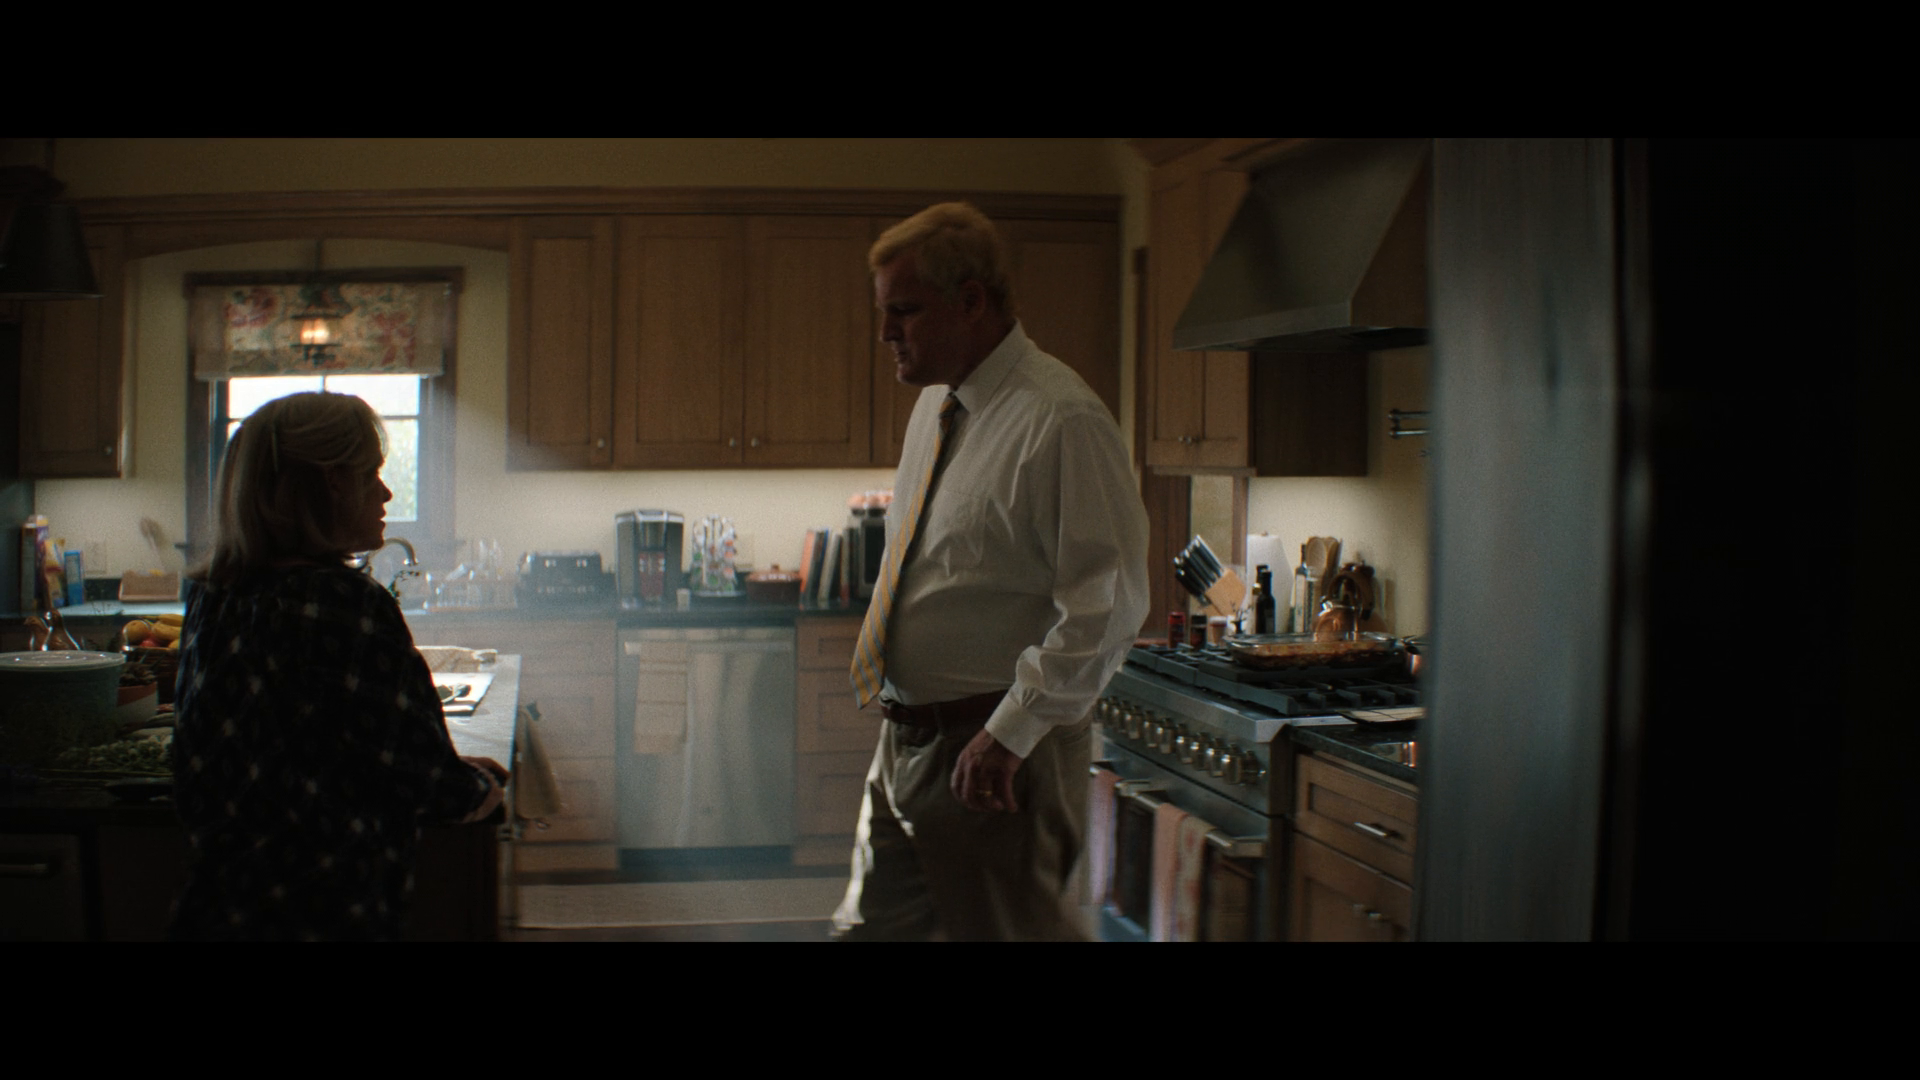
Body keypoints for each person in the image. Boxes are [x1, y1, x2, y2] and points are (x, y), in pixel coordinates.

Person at [833, 202, 1149, 941]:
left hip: (998, 756)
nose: (885, 334)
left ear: (971, 301)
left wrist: (1009, 733)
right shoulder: (936, 405)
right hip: (906, 744)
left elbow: (1107, 605)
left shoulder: (1061, 419)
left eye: (904, 311)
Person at [169, 391, 507, 941]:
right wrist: (483, 786)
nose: (385, 493)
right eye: (371, 474)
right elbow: (428, 784)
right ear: (330, 485)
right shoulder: (344, 602)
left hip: (218, 909)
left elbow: (300, 748)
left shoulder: (213, 596)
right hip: (325, 910)